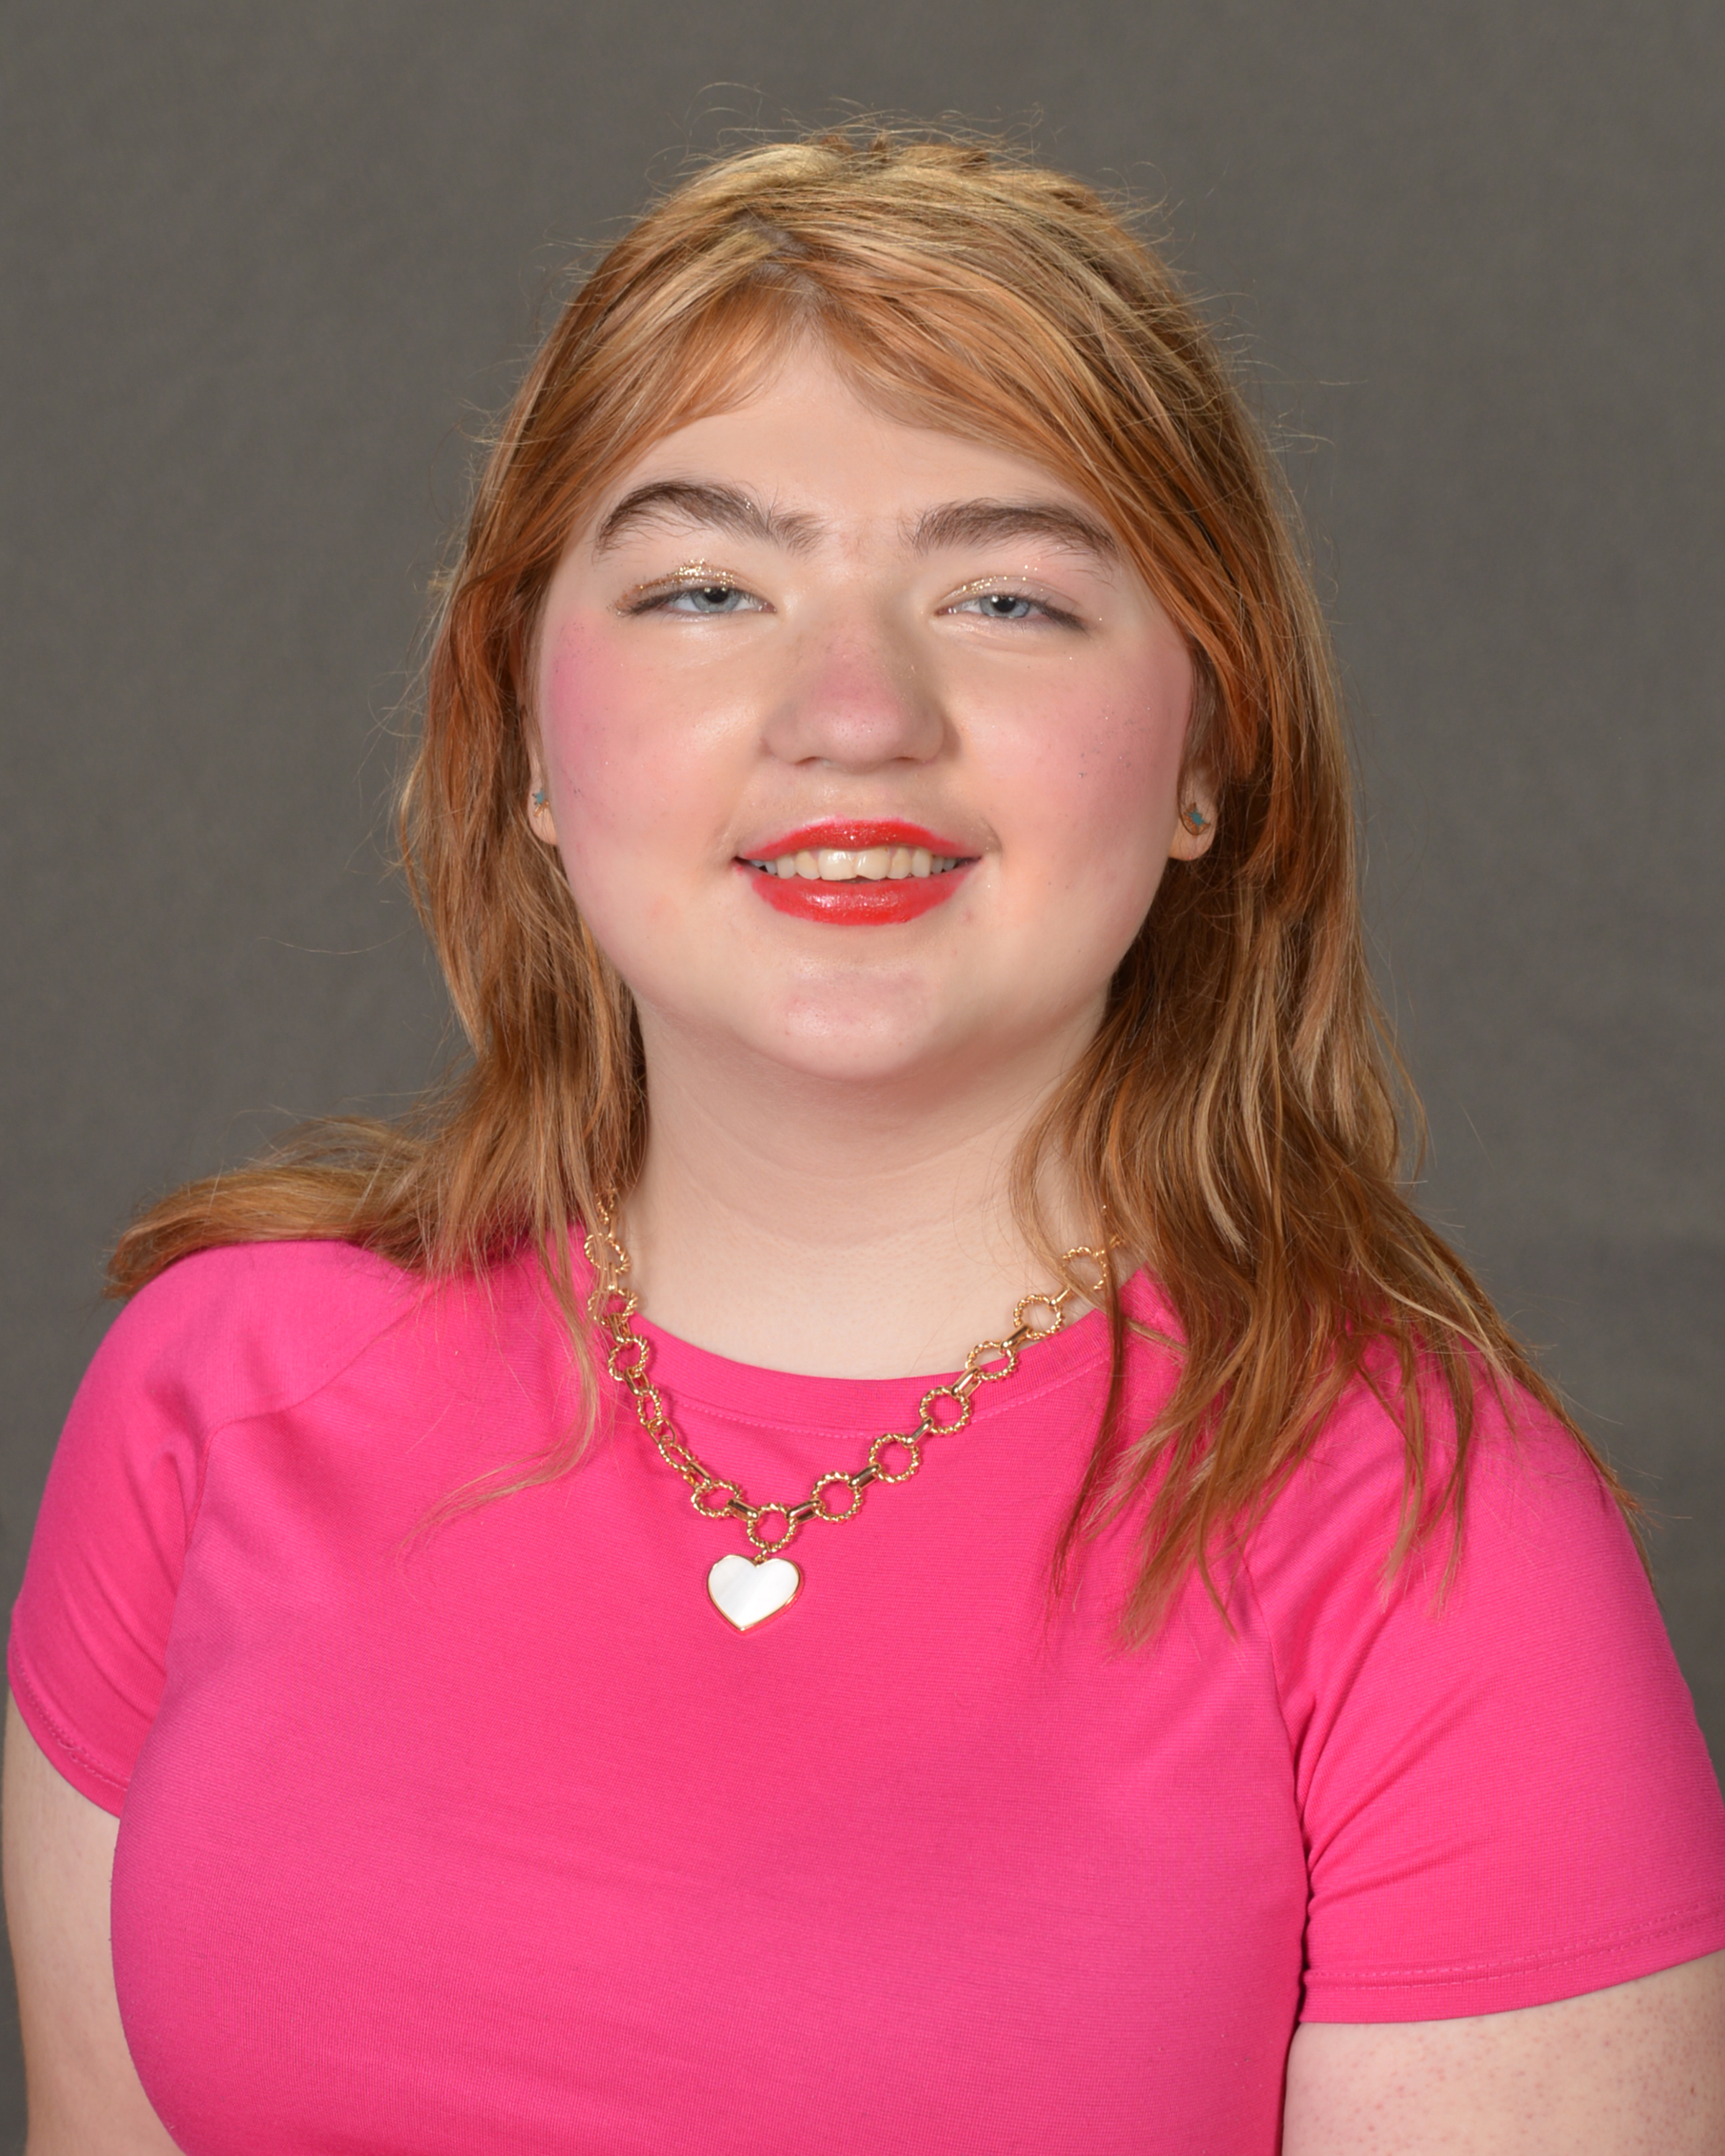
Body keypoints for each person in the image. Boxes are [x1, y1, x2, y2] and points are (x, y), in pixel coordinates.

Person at [6, 128, 1723, 2156]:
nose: (854, 711)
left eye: (1006, 596)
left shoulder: (1435, 1543)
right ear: (525, 732)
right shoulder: (216, 1391)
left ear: (1206, 751)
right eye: (705, 587)